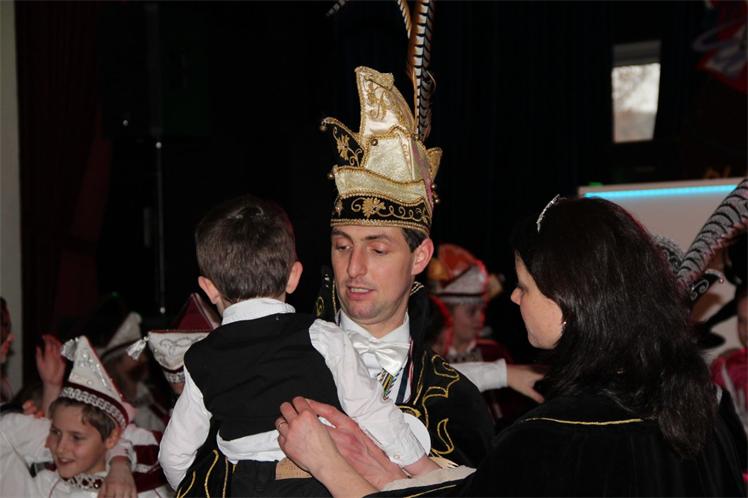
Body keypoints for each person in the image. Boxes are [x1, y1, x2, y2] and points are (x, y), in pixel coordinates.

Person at [276, 196, 746, 497]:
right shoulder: (695, 406)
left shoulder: (557, 435)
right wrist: (386, 472)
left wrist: (330, 466)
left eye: (525, 286)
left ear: (571, 301)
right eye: (342, 247)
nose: (516, 299)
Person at [315, 66, 542, 466]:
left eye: (378, 250)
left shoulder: (455, 402)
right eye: (342, 246)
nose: (354, 268)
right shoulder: (286, 360)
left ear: (419, 257)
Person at [158, 194, 437, 497]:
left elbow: (173, 455)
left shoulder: (200, 357)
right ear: (294, 276)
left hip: (243, 487)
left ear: (209, 288)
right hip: (314, 482)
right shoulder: (321, 335)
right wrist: (425, 471)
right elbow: (372, 413)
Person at [0, 335, 169, 498]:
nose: (60, 448)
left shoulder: (143, 491)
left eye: (76, 437)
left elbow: (153, 445)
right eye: (56, 432)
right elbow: (7, 429)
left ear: (112, 439)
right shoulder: (45, 487)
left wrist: (120, 461)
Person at [428, 243, 544, 423]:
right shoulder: (429, 355)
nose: (480, 318)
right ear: (447, 314)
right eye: (471, 312)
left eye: (482, 310)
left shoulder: (494, 352)